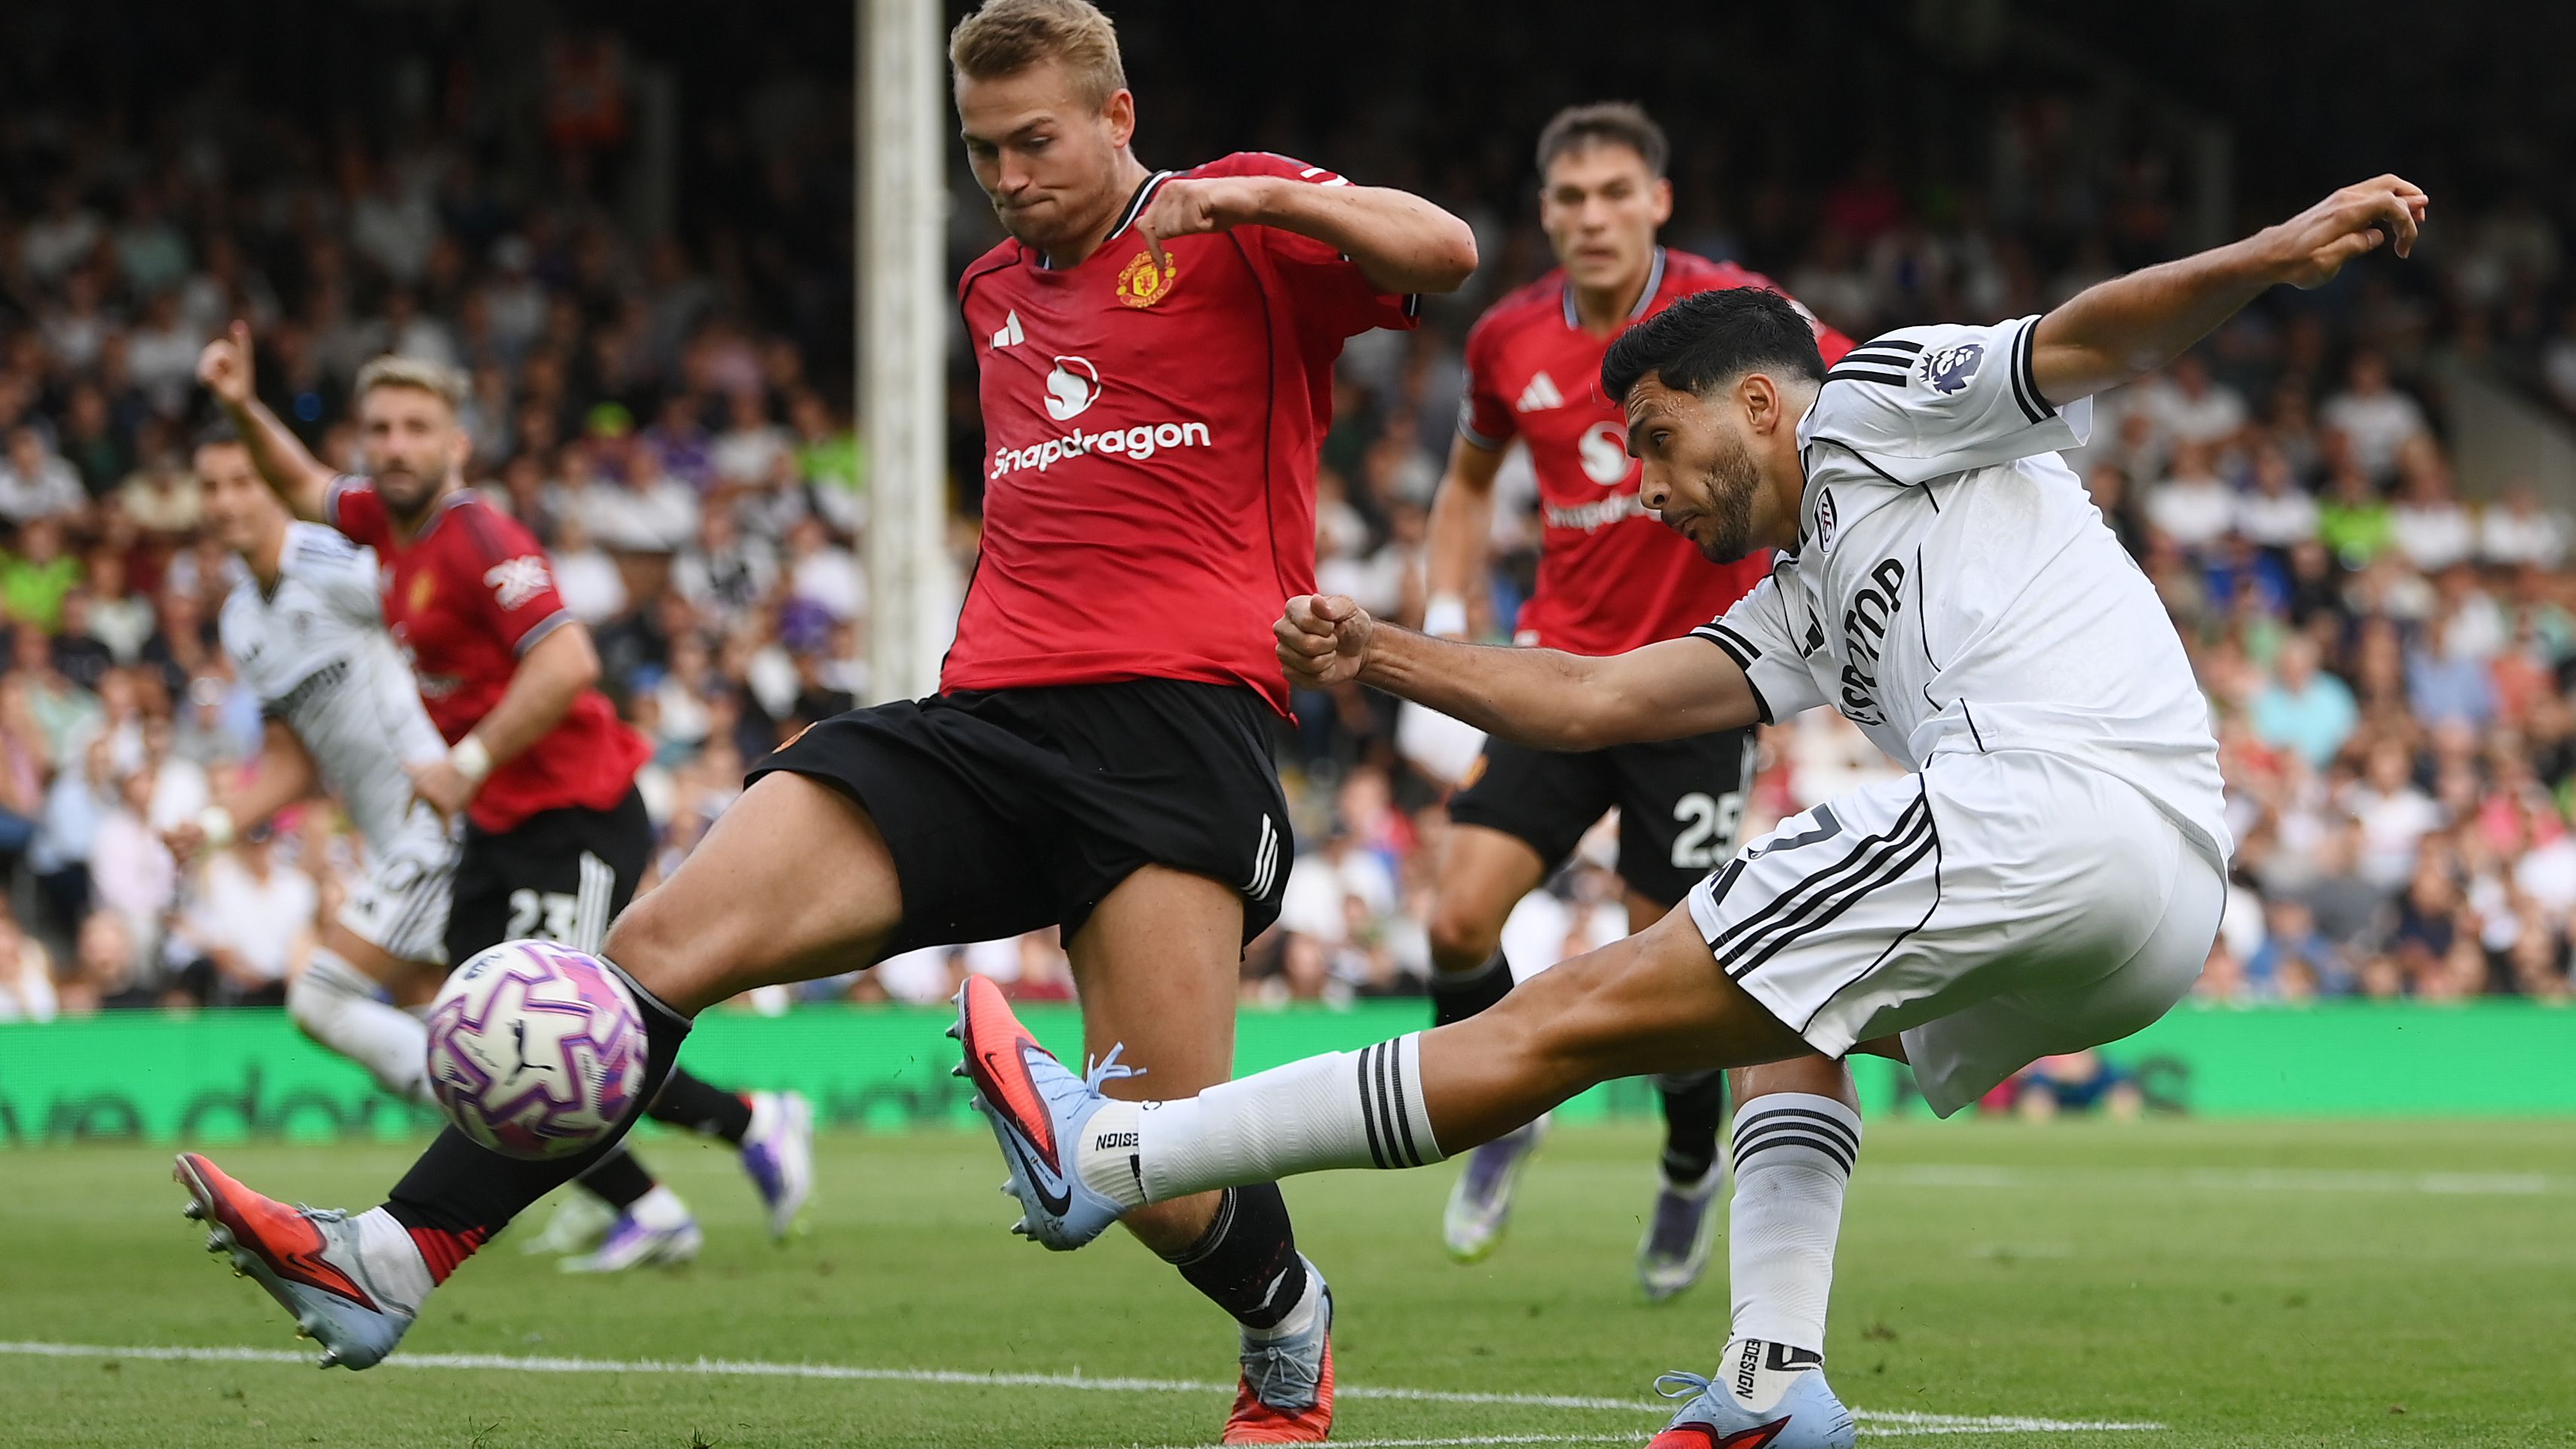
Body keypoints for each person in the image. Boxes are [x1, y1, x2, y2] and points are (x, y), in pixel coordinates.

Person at [172, 2, 1471, 1442]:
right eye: (982, 150)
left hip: (1176, 733)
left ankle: (1286, 1321)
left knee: (1160, 1176)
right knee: (650, 955)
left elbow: (1445, 254)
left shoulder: (1238, 226)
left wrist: (1264, 195)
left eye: (1035, 140)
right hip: (977, 721)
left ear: (1114, 116)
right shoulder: (989, 288)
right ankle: (391, 1260)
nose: (1008, 176)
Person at [957, 176, 2425, 1449]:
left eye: (1653, 442)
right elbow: (1600, 705)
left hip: (2053, 811)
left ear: (1759, 401)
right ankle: (1772, 1378)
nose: (1641, 488)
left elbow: (2083, 341)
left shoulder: (1871, 402)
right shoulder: (1797, 599)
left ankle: (1117, 1157)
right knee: (1785, 1029)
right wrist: (1382, 656)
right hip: (2152, 908)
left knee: (1563, 1013)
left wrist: (2269, 251)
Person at [179, 338, 812, 1285]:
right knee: (483, 1030)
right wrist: (239, 405)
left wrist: (464, 761)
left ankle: (666, 1184)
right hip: (498, 824)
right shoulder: (377, 526)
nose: (394, 446)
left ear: (457, 445)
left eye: (416, 428)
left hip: (576, 810)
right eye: (380, 429)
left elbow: (569, 664)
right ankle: (720, 1140)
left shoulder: (481, 539)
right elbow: (300, 476)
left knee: (560, 1033)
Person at [1415, 100, 1853, 1295]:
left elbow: (1845, 401)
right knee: (1455, 918)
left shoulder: (1736, 312)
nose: (1590, 216)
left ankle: (1683, 1163)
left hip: (1691, 683)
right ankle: (1507, 1110)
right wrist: (1449, 620)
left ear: (1657, 200)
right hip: (1559, 671)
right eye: (1567, 198)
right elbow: (1465, 485)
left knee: (1662, 971)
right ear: (1543, 212)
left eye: (1614, 193)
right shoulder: (1504, 338)